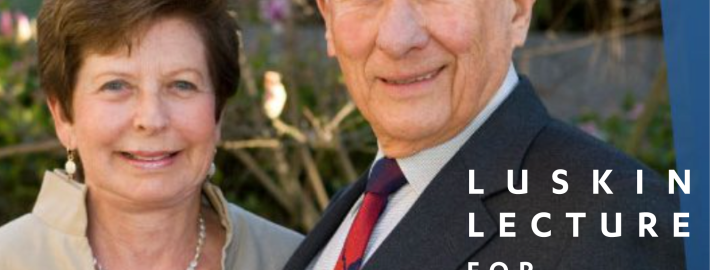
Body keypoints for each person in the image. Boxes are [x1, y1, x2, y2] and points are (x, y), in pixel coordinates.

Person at [284, 0, 686, 269]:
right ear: (328, 20)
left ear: (517, 11)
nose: (396, 39)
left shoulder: (615, 221)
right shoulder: (358, 211)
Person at [0, 0, 302, 269]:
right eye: (116, 85)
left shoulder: (300, 260)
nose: (152, 119)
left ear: (218, 112)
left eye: (182, 85)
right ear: (64, 117)